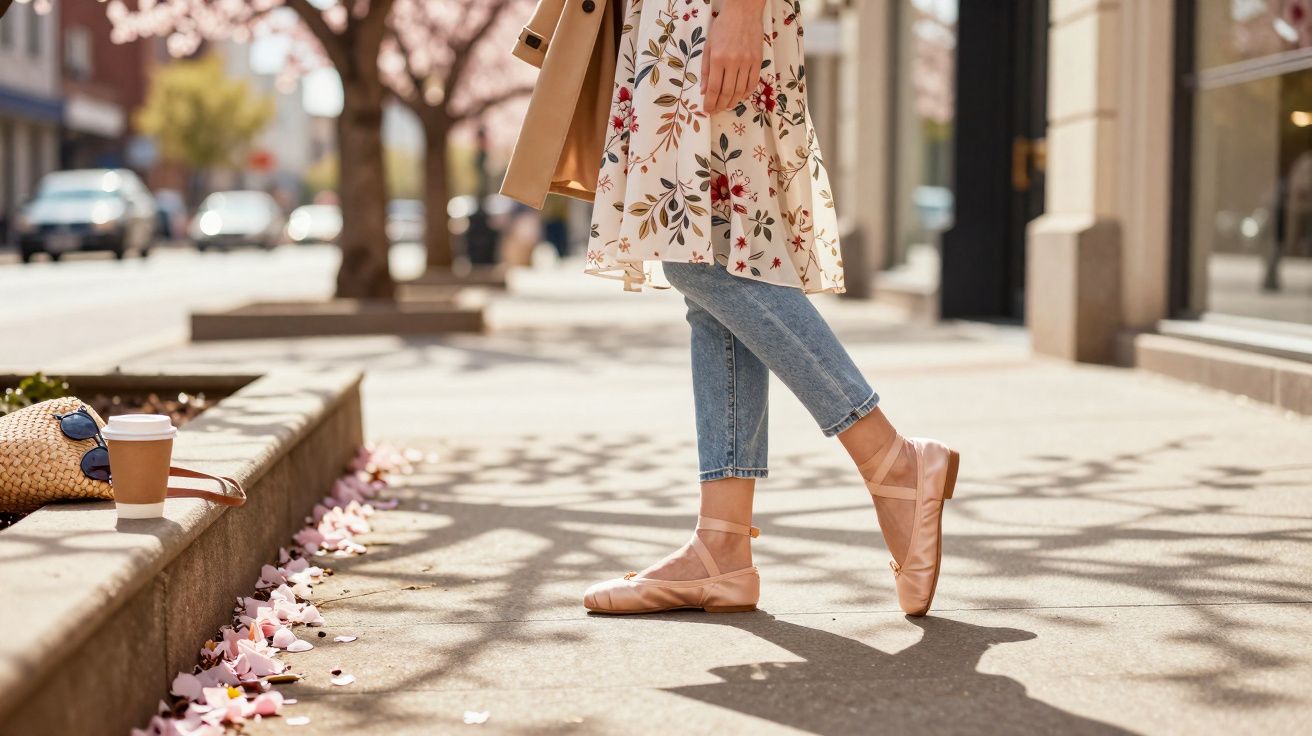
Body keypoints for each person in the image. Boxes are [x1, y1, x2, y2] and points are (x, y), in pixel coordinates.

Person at [504, 0, 960, 618]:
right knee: (717, 259)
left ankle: (891, 460)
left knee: (701, 258)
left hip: (706, 15)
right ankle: (722, 547)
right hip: (675, 20)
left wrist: (742, 13)